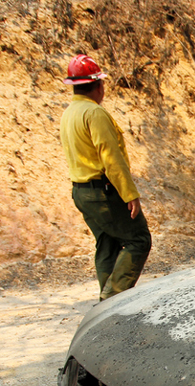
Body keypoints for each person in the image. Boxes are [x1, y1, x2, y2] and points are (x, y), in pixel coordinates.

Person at [60, 54, 151, 301]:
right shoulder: (94, 113)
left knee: (108, 243)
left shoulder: (69, 113)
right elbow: (110, 157)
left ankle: (108, 304)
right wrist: (129, 194)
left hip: (81, 191)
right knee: (138, 239)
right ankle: (110, 301)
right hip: (103, 191)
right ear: (99, 86)